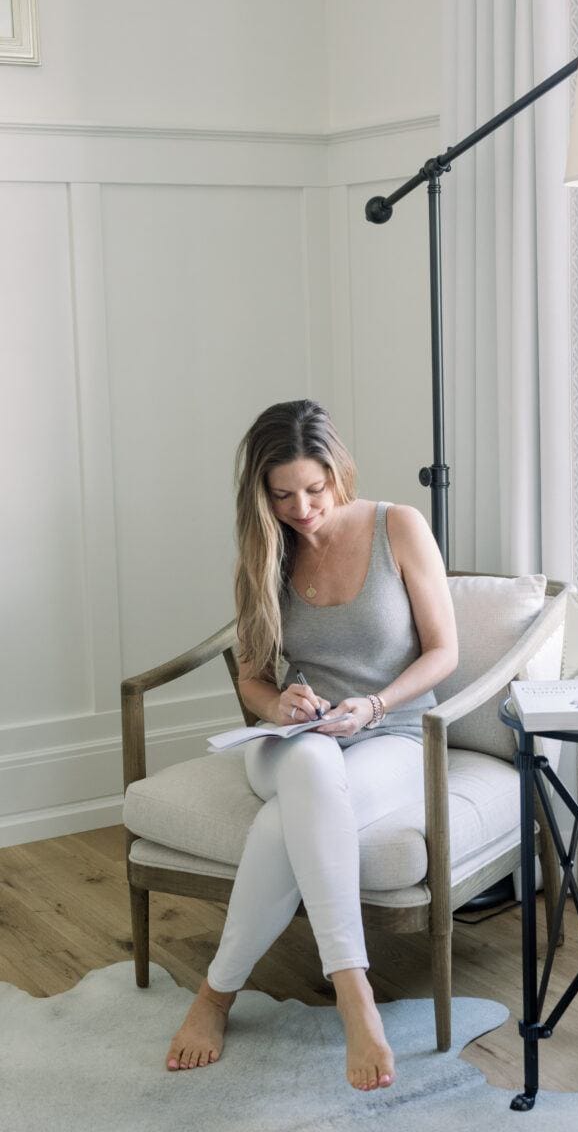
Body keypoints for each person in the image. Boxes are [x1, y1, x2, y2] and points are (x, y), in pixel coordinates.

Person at [166, 399, 458, 1093]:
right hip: (294, 742)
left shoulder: (399, 527)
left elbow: (446, 651)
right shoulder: (264, 552)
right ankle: (354, 991)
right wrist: (280, 703)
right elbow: (252, 678)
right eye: (282, 494)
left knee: (281, 825)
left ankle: (214, 997)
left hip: (392, 732)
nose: (301, 508)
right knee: (309, 762)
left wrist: (376, 702)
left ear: (338, 471)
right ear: (260, 494)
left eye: (314, 489)